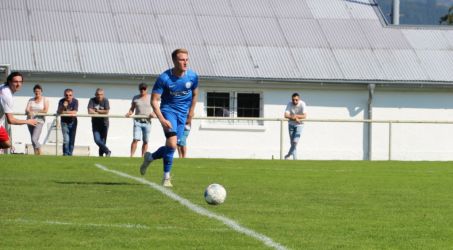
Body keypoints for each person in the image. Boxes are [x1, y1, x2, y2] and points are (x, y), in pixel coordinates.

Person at [140, 48, 199, 187]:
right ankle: (166, 177)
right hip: (168, 111)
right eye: (181, 59)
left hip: (183, 114)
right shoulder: (164, 78)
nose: (185, 62)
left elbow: (195, 94)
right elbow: (154, 101)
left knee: (172, 146)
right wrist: (162, 119)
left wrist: (191, 112)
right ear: (174, 61)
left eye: (186, 59)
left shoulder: (192, 76)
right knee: (172, 143)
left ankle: (150, 157)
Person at [0, 72, 38, 149]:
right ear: (9, 82)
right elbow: (11, 120)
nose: (18, 84)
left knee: (7, 143)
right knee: (7, 144)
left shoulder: (3, 87)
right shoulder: (7, 96)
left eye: (20, 82)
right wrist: (28, 121)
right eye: (15, 82)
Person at [126, 83, 155, 157]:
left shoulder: (150, 97)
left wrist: (153, 113)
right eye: (141, 89)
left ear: (146, 89)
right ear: (139, 89)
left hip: (147, 122)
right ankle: (131, 156)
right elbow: (132, 109)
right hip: (137, 121)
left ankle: (143, 156)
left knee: (146, 141)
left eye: (144, 89)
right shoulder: (135, 98)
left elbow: (156, 108)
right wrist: (129, 113)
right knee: (135, 139)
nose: (142, 90)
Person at [25, 84, 49, 155]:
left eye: (38, 91)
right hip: (30, 120)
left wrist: (34, 112)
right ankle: (36, 154)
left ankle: (40, 150)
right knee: (33, 139)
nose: (37, 93)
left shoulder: (45, 100)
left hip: (39, 121)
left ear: (41, 92)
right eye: (35, 91)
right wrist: (29, 111)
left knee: (34, 138)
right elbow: (27, 109)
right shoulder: (31, 100)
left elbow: (45, 110)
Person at [88, 88, 111, 157]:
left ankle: (101, 156)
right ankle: (107, 151)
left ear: (103, 95)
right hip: (95, 123)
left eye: (101, 95)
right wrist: (101, 111)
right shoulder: (92, 100)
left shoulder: (105, 100)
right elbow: (89, 111)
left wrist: (96, 111)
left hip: (104, 123)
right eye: (98, 94)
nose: (99, 96)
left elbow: (106, 111)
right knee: (97, 140)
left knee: (103, 141)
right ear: (95, 95)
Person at [284, 93, 307, 160]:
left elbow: (304, 116)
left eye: (296, 100)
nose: (294, 101)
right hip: (291, 124)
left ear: (299, 99)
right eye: (293, 100)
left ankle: (288, 155)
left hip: (299, 124)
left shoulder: (302, 104)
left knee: (295, 142)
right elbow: (285, 115)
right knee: (292, 143)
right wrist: (294, 118)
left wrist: (295, 116)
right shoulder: (289, 104)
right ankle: (295, 159)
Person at [57, 88, 78, 156]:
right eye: (66, 95)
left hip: (73, 122)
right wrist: (63, 106)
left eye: (70, 95)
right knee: (66, 139)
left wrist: (66, 112)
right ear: (64, 95)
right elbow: (59, 111)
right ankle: (65, 154)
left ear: (72, 95)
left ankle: (70, 154)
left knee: (72, 140)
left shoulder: (75, 101)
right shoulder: (61, 101)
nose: (68, 96)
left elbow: (75, 111)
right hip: (64, 122)